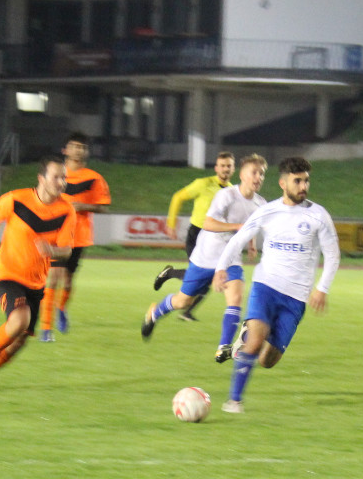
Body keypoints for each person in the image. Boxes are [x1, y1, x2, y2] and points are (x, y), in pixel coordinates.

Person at [210, 156, 340, 414]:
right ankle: (234, 401)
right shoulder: (268, 211)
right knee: (256, 343)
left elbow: (333, 254)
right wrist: (220, 268)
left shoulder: (318, 215)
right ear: (283, 183)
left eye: (306, 181)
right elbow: (238, 239)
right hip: (266, 286)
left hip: (296, 297)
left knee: (267, 361)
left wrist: (322, 288)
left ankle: (246, 343)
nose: (303, 186)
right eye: (297, 181)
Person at [143, 154, 268, 362]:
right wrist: (236, 227)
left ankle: (223, 347)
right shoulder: (227, 195)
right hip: (205, 256)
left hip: (230, 259)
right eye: (254, 172)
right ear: (243, 174)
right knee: (183, 302)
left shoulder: (261, 203)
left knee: (236, 298)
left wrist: (252, 243)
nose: (258, 177)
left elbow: (252, 225)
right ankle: (154, 313)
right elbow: (209, 224)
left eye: (262, 174)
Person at [0, 155, 76, 388]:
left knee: (19, 342)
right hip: (7, 274)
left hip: (36, 283)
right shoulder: (16, 199)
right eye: (56, 177)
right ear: (41, 178)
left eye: (64, 178)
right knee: (19, 319)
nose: (61, 182)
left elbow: (67, 250)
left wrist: (52, 249)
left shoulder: (67, 211)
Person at [38, 132, 111, 342]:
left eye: (82, 147)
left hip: (78, 235)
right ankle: (45, 328)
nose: (78, 150)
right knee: (54, 276)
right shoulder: (56, 173)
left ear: (86, 152)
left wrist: (83, 206)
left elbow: (104, 206)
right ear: (65, 150)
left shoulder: (94, 178)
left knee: (67, 281)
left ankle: (61, 309)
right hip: (56, 232)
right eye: (74, 146)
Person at [152, 151, 236, 321]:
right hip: (197, 235)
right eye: (223, 165)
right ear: (216, 168)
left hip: (216, 239)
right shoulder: (203, 184)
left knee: (211, 278)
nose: (226, 169)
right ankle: (170, 274)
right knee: (201, 276)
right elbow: (178, 197)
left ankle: (187, 311)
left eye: (229, 166)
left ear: (233, 169)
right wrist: (171, 222)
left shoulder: (233, 191)